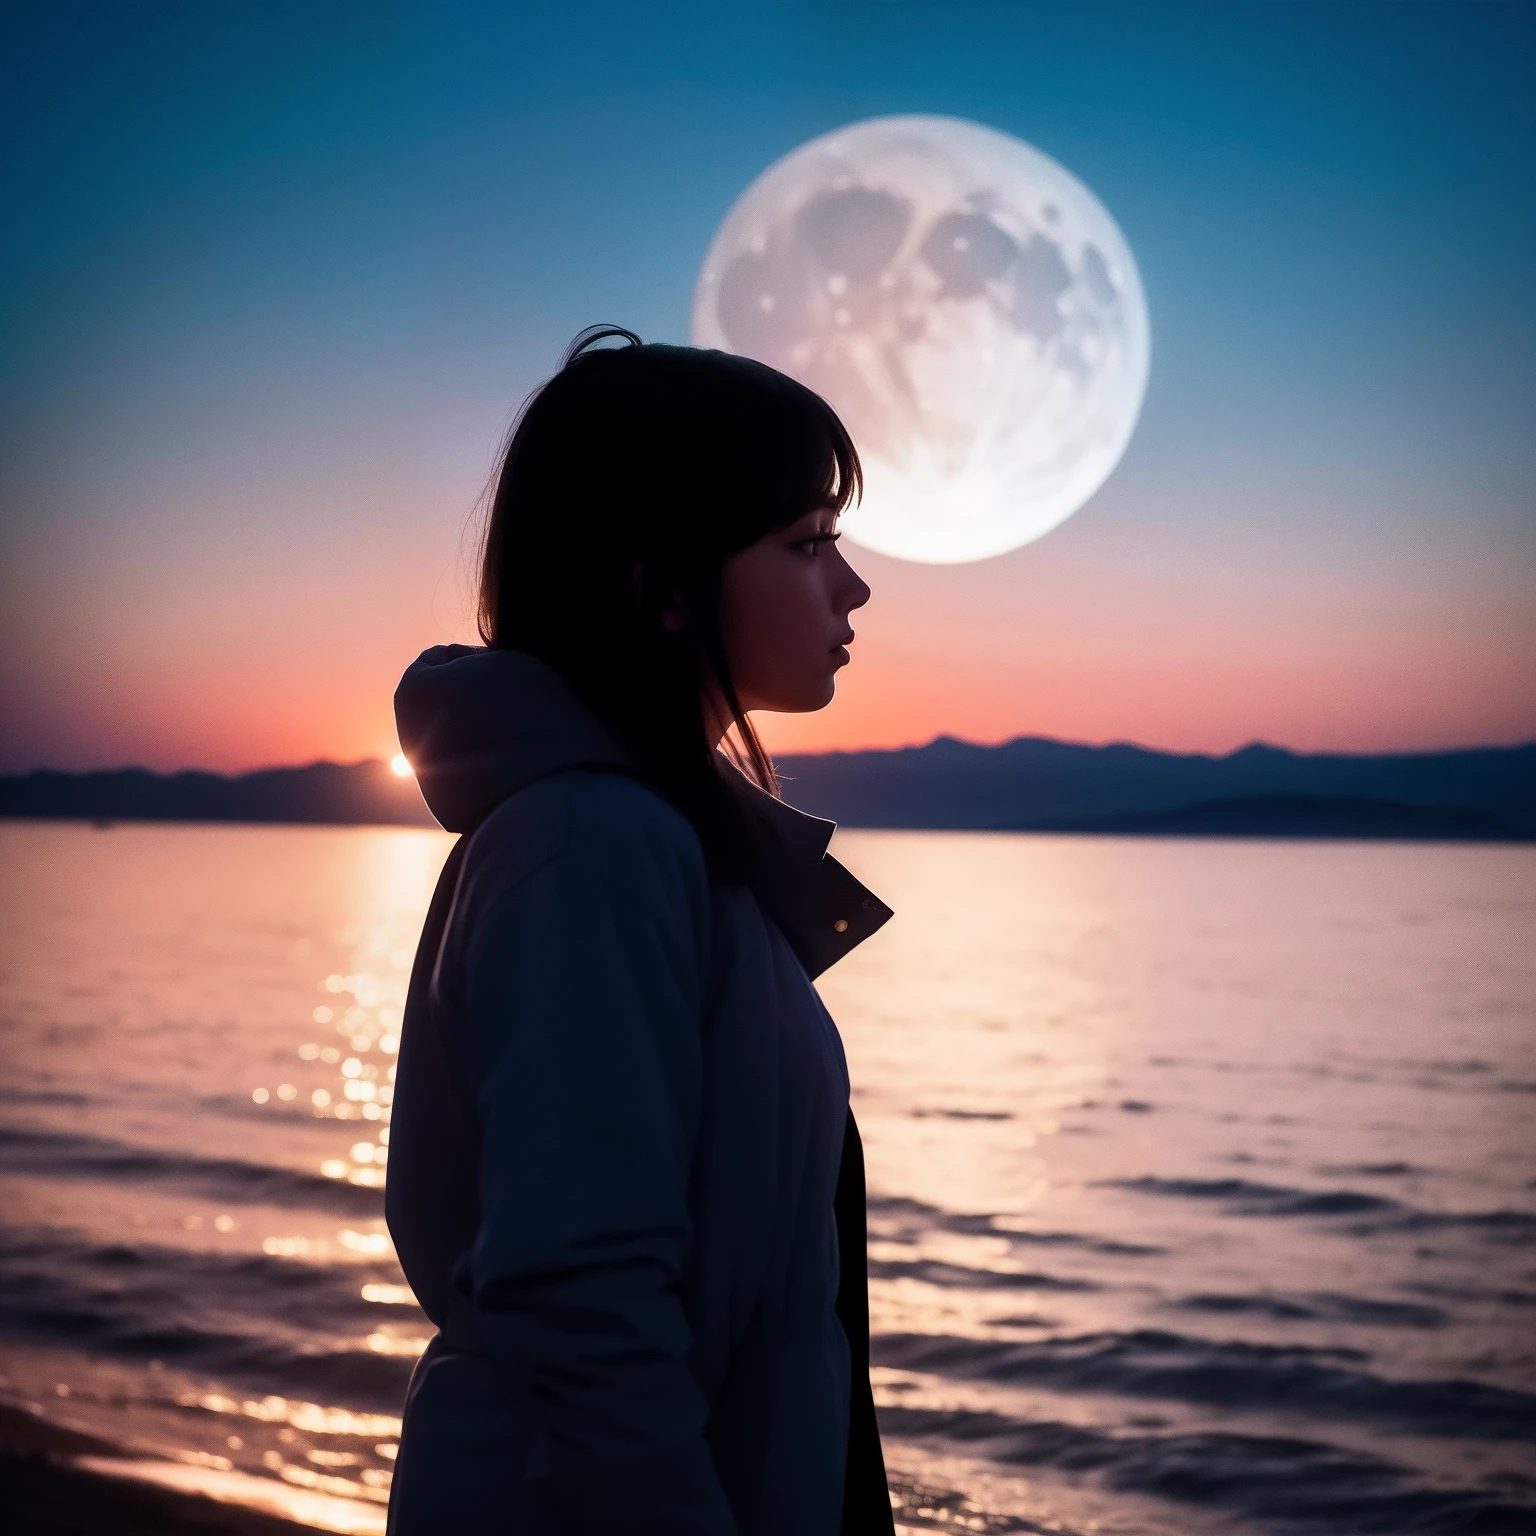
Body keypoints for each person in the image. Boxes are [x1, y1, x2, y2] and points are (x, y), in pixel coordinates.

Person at [384, 326, 895, 1536]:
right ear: (662, 589)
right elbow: (583, 1309)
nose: (854, 584)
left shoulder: (658, 837)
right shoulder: (595, 850)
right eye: (808, 542)